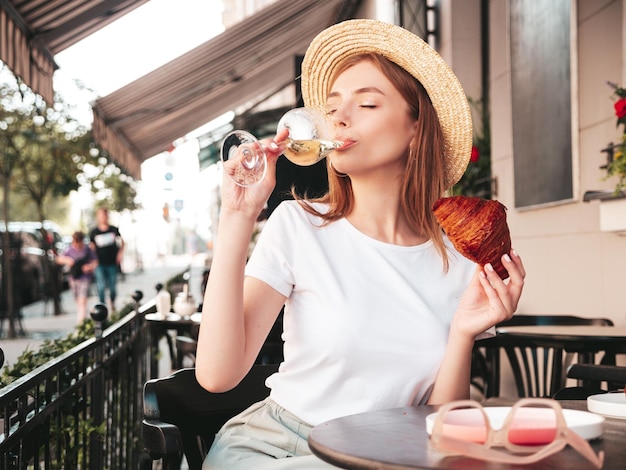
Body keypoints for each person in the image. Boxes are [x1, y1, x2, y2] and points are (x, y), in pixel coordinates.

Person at [196, 19, 526, 469]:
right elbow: (217, 376)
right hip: (281, 448)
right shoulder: (298, 226)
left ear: (415, 127)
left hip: (389, 455)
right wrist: (237, 216)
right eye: (332, 108)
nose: (340, 118)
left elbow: (440, 428)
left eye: (367, 103)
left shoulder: (458, 258)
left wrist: (464, 333)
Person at [56, 231, 98, 324]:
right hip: (74, 278)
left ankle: (81, 321)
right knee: (78, 299)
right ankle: (82, 317)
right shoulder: (69, 250)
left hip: (85, 277)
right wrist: (67, 260)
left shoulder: (87, 250)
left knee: (82, 298)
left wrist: (89, 267)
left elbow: (95, 261)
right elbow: (59, 259)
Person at [90, 207, 124, 312]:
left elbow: (122, 242)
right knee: (100, 287)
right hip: (99, 264)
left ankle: (112, 303)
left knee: (113, 287)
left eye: (105, 215)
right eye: (101, 215)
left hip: (112, 263)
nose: (103, 217)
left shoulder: (114, 230)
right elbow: (92, 248)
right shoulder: (94, 232)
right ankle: (103, 309)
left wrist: (120, 255)